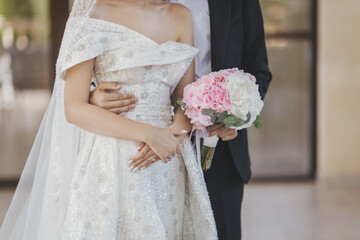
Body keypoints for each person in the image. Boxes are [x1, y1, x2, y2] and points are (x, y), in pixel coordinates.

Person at [0, 0, 218, 239]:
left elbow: (185, 98)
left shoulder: (180, 15)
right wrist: (150, 134)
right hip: (113, 159)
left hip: (168, 160)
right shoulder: (94, 11)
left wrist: (175, 133)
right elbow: (74, 108)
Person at [90, 0, 272, 239]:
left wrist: (235, 117)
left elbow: (258, 70)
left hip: (218, 150)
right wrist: (92, 95)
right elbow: (107, 61)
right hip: (147, 149)